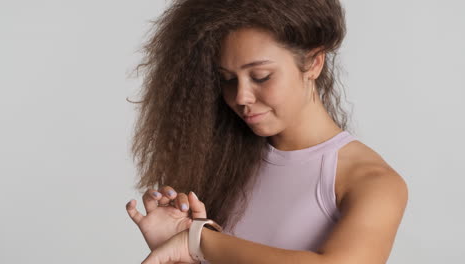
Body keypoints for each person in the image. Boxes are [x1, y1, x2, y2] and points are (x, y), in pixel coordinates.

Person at [125, 0, 409, 263]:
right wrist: (183, 248)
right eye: (227, 79)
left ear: (313, 63)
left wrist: (198, 241)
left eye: (261, 76)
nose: (241, 97)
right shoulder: (223, 163)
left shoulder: (372, 182)